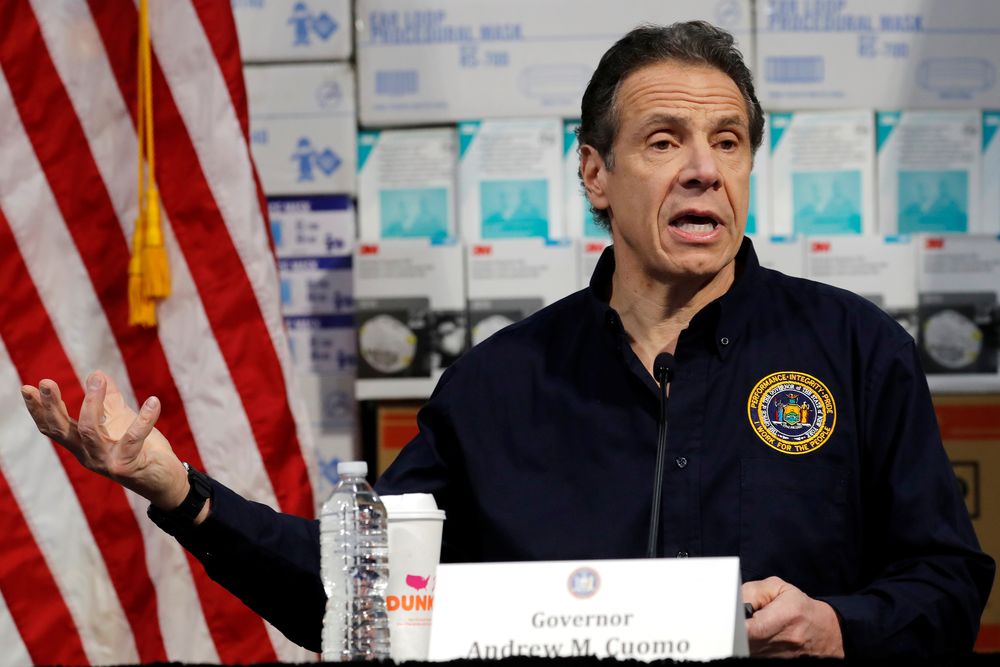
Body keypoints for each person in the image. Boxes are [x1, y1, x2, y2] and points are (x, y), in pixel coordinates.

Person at [20, 21, 993, 659]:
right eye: (663, 141)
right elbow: (359, 603)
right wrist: (176, 489)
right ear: (593, 172)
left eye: (728, 140)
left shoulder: (857, 350)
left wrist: (839, 626)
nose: (703, 169)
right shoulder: (493, 387)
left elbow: (948, 581)